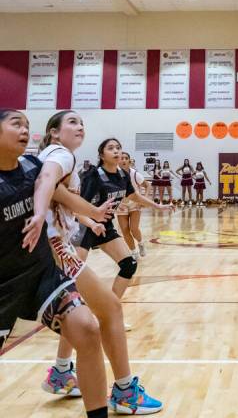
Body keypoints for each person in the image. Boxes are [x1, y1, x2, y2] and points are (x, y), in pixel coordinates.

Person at [31, 111, 164, 413]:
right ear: (54, 132)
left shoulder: (59, 157)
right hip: (57, 250)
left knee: (91, 314)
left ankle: (63, 373)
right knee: (104, 312)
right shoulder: (61, 155)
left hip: (61, 243)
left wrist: (90, 217)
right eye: (72, 123)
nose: (80, 127)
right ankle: (123, 391)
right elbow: (49, 180)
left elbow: (59, 194)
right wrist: (43, 213)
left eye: (82, 123)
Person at [0, 108, 111, 418]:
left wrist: (91, 214)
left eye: (27, 125)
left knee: (88, 329)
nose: (25, 130)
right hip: (3, 285)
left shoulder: (32, 164)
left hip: (41, 273)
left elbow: (58, 192)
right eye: (15, 124)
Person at [75, 137, 172, 299]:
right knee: (75, 272)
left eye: (118, 148)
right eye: (111, 148)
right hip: (84, 227)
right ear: (101, 155)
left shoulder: (123, 175)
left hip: (105, 226)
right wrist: (92, 224)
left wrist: (158, 206)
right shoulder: (94, 175)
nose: (116, 151)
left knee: (129, 265)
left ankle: (111, 309)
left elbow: (135, 196)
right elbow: (77, 208)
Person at [116, 151, 146, 259]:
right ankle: (134, 252)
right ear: (118, 160)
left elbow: (147, 185)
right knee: (124, 230)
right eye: (121, 158)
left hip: (134, 203)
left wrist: (144, 200)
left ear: (129, 161)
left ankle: (141, 243)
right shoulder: (113, 174)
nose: (123, 160)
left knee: (134, 228)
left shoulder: (134, 174)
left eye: (125, 158)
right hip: (121, 204)